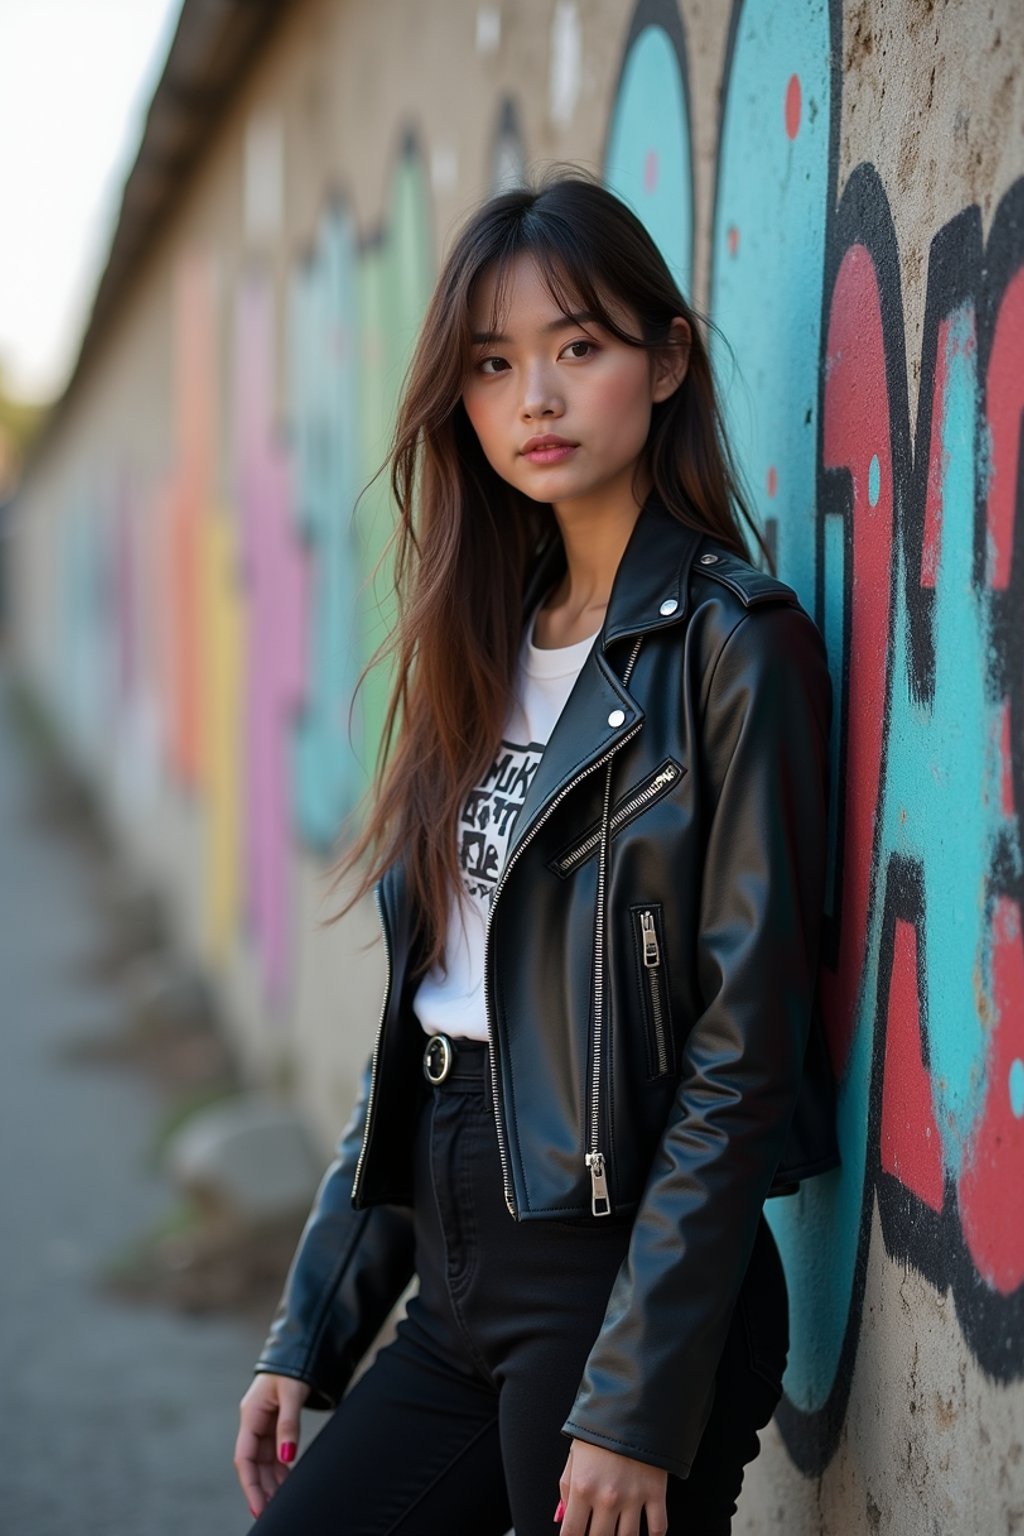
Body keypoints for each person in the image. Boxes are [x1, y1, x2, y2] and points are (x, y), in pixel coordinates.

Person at [234, 173, 838, 1536]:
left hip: (618, 1277)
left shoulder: (734, 650)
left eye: (579, 348)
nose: (536, 401)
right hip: (453, 1282)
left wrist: (636, 1394)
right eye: (494, 365)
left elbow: (743, 1053)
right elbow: (427, 1024)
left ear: (668, 358)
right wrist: (311, 1322)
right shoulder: (478, 639)